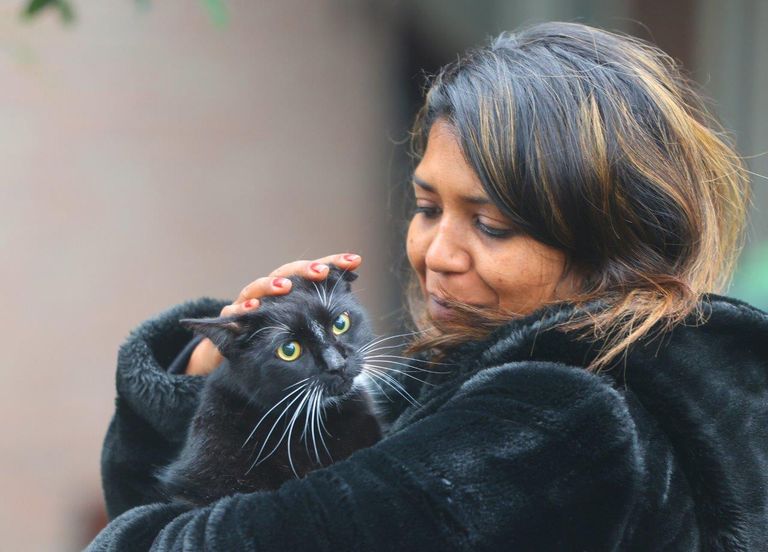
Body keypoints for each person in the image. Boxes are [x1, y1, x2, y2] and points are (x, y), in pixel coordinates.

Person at [88, 21, 768, 551]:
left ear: (611, 242)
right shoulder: (470, 377)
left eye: (492, 225)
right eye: (426, 208)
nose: (437, 254)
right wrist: (219, 370)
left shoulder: (558, 417)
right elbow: (188, 496)